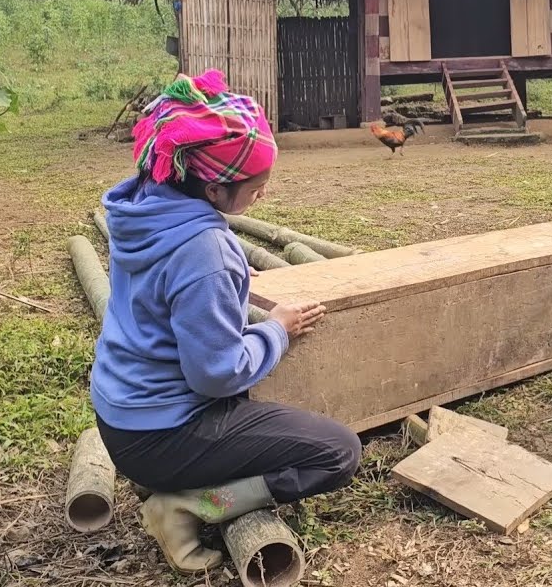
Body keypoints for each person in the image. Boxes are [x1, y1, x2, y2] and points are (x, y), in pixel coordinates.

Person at [90, 70, 361, 573]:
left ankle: (181, 481)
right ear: (214, 190)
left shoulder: (144, 206)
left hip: (121, 415)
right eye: (257, 188)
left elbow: (176, 284)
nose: (263, 196)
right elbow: (215, 375)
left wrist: (228, 279)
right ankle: (187, 506)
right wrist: (276, 330)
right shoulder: (204, 251)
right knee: (338, 453)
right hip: (162, 434)